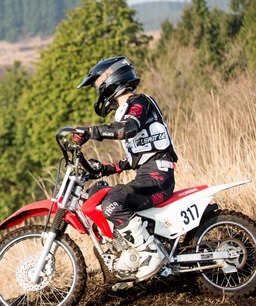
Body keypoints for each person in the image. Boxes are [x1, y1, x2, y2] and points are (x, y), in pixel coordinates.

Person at [73, 56, 178, 280]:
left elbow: (129, 128)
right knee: (99, 193)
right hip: (149, 173)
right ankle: (126, 254)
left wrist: (91, 132)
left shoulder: (139, 103)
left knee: (113, 202)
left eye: (97, 87)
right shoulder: (127, 110)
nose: (98, 93)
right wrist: (103, 169)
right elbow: (135, 158)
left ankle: (149, 253)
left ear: (108, 81)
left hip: (158, 176)